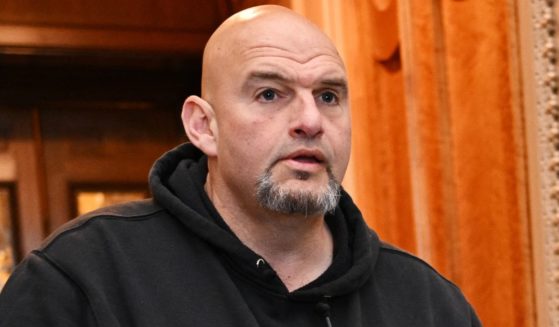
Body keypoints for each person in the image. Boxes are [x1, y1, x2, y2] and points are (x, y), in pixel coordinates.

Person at [0, 5, 481, 326]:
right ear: (203, 126)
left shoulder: (429, 303)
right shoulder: (84, 277)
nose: (310, 120)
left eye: (329, 96)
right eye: (270, 93)